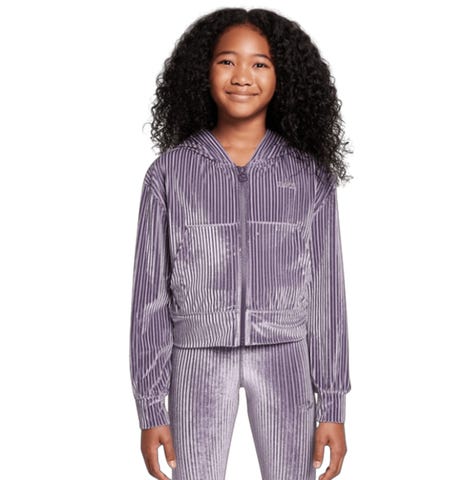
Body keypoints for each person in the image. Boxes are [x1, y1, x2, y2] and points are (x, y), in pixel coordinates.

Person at [129, 7, 353, 480]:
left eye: (260, 63)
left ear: (282, 75)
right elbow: (149, 294)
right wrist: (150, 408)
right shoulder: (169, 173)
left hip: (286, 354)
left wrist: (332, 405)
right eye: (227, 61)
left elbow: (327, 294)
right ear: (203, 70)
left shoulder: (308, 176)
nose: (242, 76)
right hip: (196, 356)